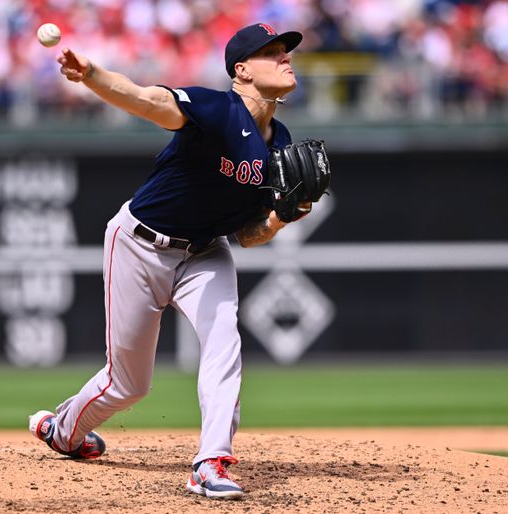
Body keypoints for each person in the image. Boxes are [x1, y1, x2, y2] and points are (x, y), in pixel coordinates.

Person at [28, 23, 308, 500]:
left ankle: (210, 461)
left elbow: (246, 235)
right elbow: (147, 100)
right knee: (128, 385)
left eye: (286, 51)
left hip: (205, 252)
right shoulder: (218, 109)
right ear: (241, 71)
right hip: (139, 243)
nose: (285, 58)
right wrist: (93, 74)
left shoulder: (279, 143)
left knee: (225, 341)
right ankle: (64, 431)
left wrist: (281, 218)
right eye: (272, 52)